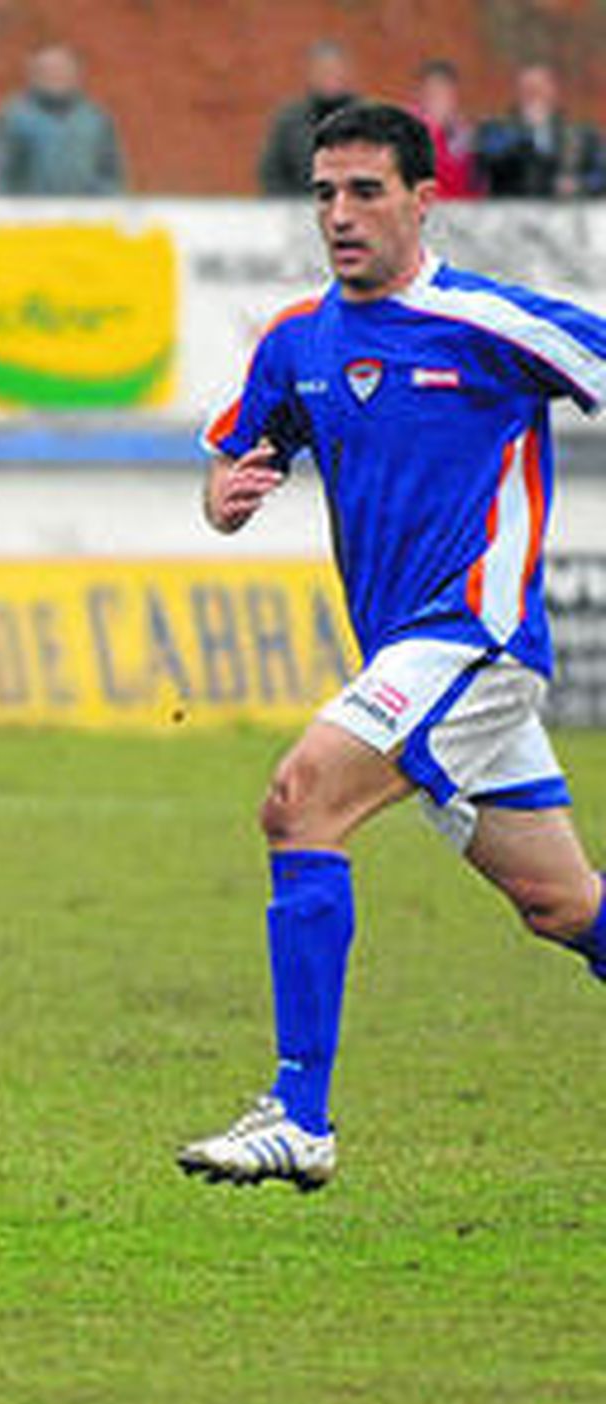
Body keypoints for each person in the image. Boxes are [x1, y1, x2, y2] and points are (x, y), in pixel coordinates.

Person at [182, 102, 606, 1190]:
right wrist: (224, 495)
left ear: (424, 198)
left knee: (300, 798)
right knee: (559, 903)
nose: (339, 214)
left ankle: (299, 1111)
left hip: (472, 637)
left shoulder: (489, 323)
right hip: (408, 658)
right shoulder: (298, 341)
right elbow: (236, 456)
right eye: (324, 192)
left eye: (365, 191)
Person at [0, 43, 124, 195]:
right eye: (48, 70)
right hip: (30, 215)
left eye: (63, 69)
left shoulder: (95, 119)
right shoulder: (14, 119)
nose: (56, 75)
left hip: (84, 215)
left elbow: (112, 173)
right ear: (34, 75)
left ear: (77, 73)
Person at [475, 62, 606, 199]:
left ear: (554, 91)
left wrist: (579, 185)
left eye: (539, 88)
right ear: (517, 93)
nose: (533, 94)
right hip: (510, 215)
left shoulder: (581, 135)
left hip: (564, 216)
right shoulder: (495, 131)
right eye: (527, 88)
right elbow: (487, 163)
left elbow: (601, 176)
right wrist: (526, 133)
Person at [258, 39, 358, 196]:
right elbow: (271, 173)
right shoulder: (290, 121)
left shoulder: (367, 118)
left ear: (346, 72)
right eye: (323, 71)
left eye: (334, 70)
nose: (329, 77)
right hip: (300, 211)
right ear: (310, 74)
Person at [413, 59, 483, 199]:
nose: (435, 103)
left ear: (453, 97)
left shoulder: (466, 136)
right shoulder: (410, 130)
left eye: (441, 94)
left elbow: (473, 187)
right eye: (430, 95)